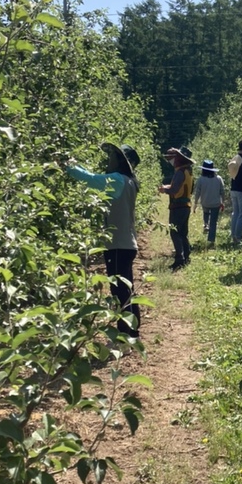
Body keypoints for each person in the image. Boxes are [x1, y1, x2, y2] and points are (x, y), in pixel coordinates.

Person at [66, 141, 142, 337]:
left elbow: (90, 179)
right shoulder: (129, 181)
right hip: (127, 243)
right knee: (126, 288)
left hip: (117, 244)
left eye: (111, 157)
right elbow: (94, 177)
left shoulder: (116, 180)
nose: (108, 160)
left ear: (119, 161)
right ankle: (132, 329)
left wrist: (67, 165)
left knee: (120, 291)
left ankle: (127, 334)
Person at [160, 145, 194, 270]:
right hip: (186, 205)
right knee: (183, 233)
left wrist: (164, 189)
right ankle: (186, 256)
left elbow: (174, 189)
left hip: (178, 206)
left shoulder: (180, 172)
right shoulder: (188, 171)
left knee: (175, 232)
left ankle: (179, 260)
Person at [192, 159, 225, 248]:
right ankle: (211, 240)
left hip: (205, 202)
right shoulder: (218, 179)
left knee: (206, 212)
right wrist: (223, 202)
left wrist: (195, 204)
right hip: (216, 204)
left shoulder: (201, 179)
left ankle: (206, 224)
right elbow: (222, 191)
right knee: (214, 222)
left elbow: (197, 193)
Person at [227, 138, 242, 246]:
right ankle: (238, 236)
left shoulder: (235, 158)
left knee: (235, 213)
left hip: (234, 189)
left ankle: (234, 235)